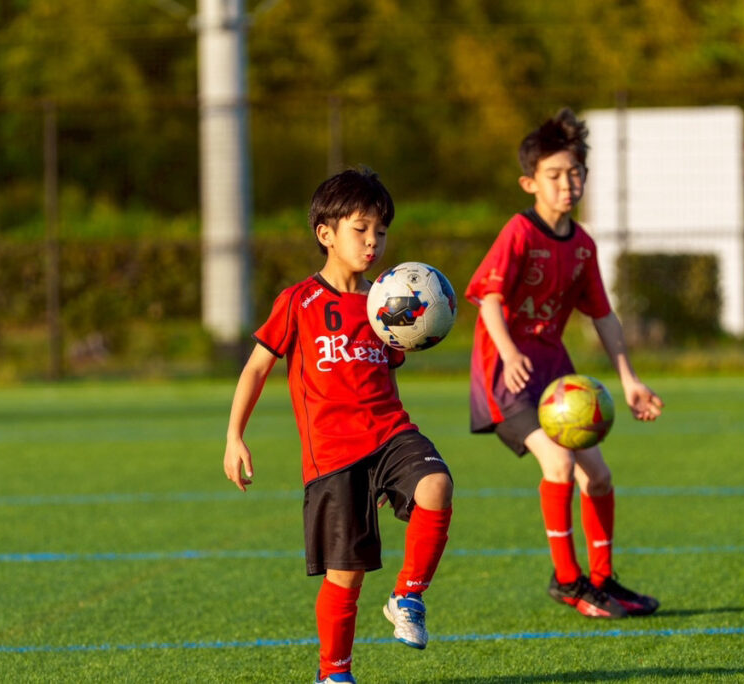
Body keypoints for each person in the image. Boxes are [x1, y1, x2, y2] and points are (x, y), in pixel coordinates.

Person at [224, 168, 454, 683]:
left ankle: (408, 595)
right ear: (326, 234)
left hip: (391, 433)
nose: (373, 241)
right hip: (333, 455)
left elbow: (384, 376)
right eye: (361, 229)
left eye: (381, 231)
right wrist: (235, 436)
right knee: (345, 575)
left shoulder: (388, 305)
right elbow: (256, 368)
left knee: (437, 485)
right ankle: (333, 674)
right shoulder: (299, 300)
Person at [464, 108, 664, 619]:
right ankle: (568, 579)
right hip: (506, 377)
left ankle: (603, 580)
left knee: (599, 476)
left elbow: (603, 316)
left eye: (574, 173)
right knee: (559, 464)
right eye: (553, 175)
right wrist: (509, 352)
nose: (566, 184)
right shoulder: (519, 232)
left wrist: (630, 380)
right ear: (530, 183)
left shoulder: (582, 246)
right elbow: (488, 299)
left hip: (556, 375)